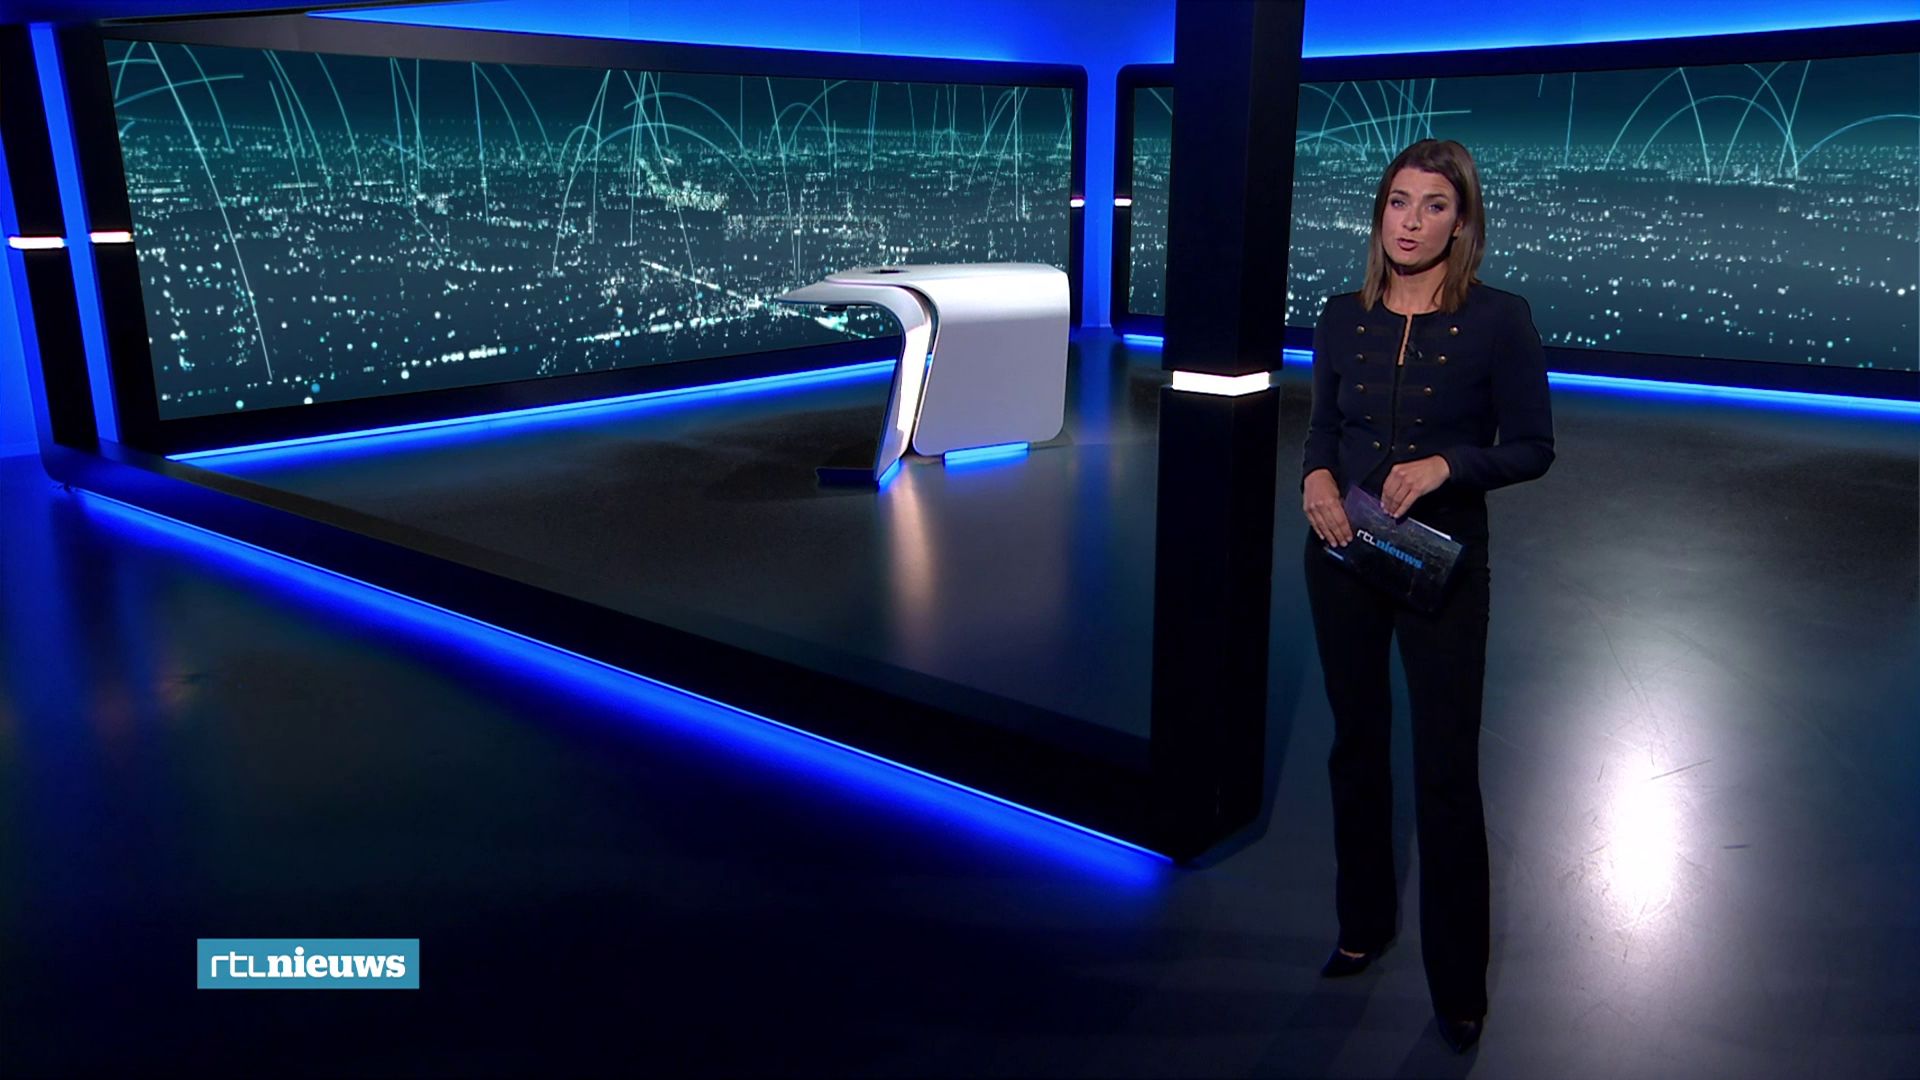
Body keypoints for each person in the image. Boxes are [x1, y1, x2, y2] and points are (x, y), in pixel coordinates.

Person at [1299, 139, 1554, 1055]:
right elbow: (1323, 428)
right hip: (1341, 549)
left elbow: (1533, 447)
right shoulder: (1341, 316)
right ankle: (1361, 924)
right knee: (1355, 746)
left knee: (1444, 772)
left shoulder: (1500, 320)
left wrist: (1449, 464)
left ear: (1463, 221)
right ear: (1379, 213)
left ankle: (1458, 985)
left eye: (1434, 205)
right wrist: (1313, 479)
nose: (1411, 222)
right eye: (1398, 202)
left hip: (1441, 563)